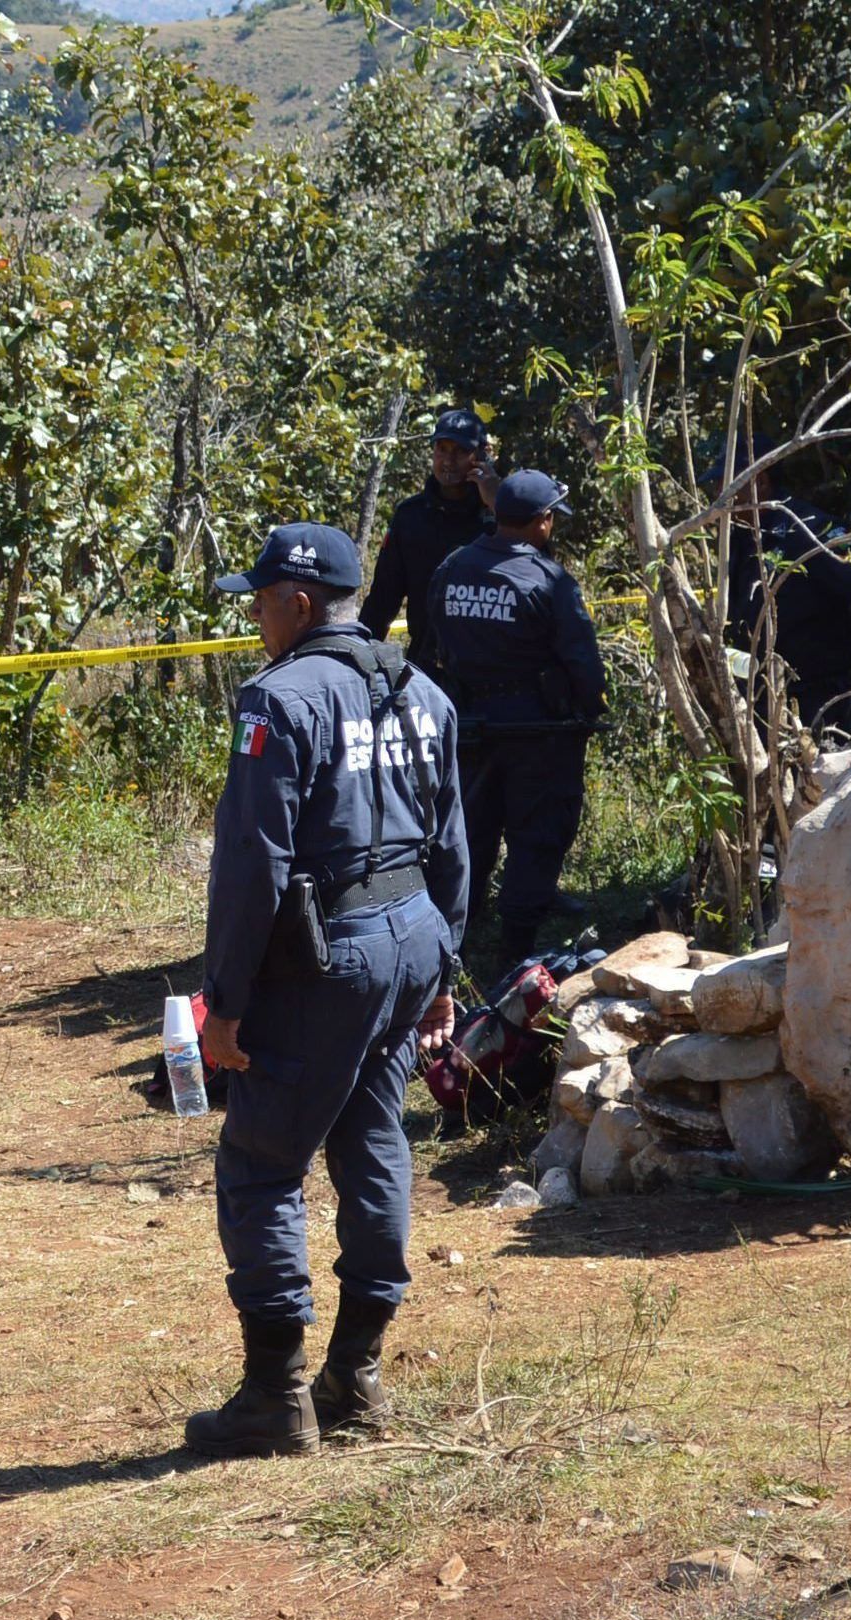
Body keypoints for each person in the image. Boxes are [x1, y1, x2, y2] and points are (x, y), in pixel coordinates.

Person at [188, 523, 466, 1460]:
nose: (255, 620)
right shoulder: (422, 690)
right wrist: (441, 975)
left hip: (328, 957)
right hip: (411, 939)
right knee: (372, 1135)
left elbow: (250, 867)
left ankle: (276, 1397)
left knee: (263, 1162)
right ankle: (358, 1371)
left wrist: (222, 1001)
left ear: (300, 604)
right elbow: (452, 844)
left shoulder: (280, 698)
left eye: (261, 601)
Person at [428, 469, 604, 968]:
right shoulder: (550, 581)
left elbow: (436, 642)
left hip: (468, 728)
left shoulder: (452, 567)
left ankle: (454, 944)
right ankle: (515, 955)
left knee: (468, 832)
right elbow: (584, 666)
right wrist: (587, 712)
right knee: (537, 835)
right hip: (539, 734)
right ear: (543, 522)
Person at [718, 455, 851, 727]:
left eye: (726, 485)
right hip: (760, 695)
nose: (718, 495)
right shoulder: (739, 538)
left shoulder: (806, 530)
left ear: (759, 482)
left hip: (815, 699)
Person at [362, 408, 496, 671]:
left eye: (459, 451)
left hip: (491, 669)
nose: (448, 460)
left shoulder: (499, 514)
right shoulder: (410, 516)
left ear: (480, 455)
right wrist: (359, 660)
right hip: (427, 666)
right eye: (442, 449)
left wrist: (497, 503)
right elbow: (382, 600)